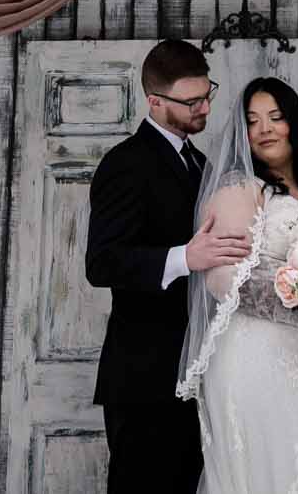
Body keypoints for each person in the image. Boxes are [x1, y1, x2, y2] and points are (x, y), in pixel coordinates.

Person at [176, 75, 298, 494]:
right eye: (252, 121)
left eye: (276, 117)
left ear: (294, 123)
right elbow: (223, 278)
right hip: (262, 358)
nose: (264, 129)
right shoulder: (240, 189)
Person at [86, 39, 250, 494]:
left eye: (207, 95)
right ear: (154, 101)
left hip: (196, 370)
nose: (204, 108)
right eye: (191, 101)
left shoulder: (200, 163)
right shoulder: (125, 163)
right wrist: (184, 257)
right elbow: (102, 262)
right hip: (144, 378)